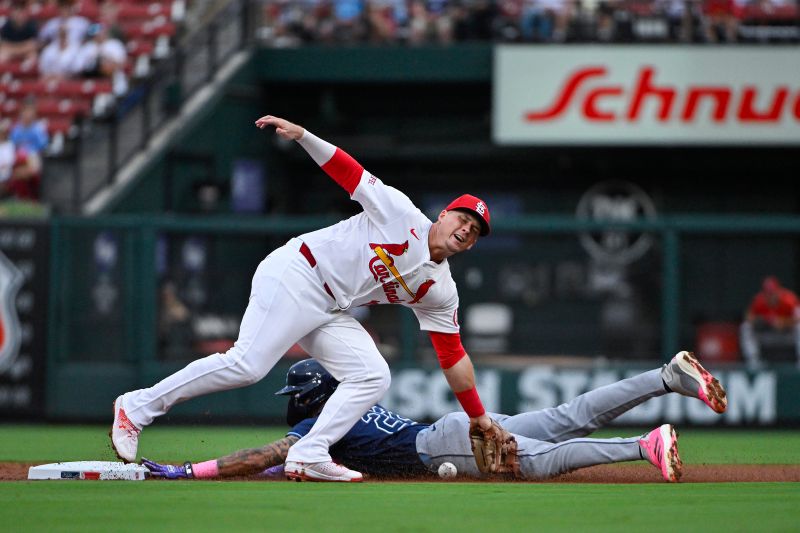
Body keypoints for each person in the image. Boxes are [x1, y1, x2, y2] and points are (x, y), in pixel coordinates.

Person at [112, 114, 496, 482]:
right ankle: (136, 407)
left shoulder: (441, 290)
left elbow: (452, 354)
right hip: (299, 272)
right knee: (247, 364)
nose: (466, 228)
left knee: (373, 375)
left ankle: (310, 452)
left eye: (475, 230)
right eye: (462, 218)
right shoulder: (401, 214)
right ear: (444, 215)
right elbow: (350, 172)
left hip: (330, 307)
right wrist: (303, 136)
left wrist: (477, 416)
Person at [142, 350, 728, 483]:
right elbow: (282, 466)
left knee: (536, 464)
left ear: (308, 397)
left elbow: (272, 455)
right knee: (569, 416)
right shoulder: (351, 406)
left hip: (440, 451)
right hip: (446, 430)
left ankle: (642, 445)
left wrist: (191, 471)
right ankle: (664, 378)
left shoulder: (318, 427)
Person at [740, 276, 800, 368]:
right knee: (745, 327)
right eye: (768, 293)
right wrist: (763, 319)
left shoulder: (789, 299)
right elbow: (748, 317)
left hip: (787, 332)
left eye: (772, 293)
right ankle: (754, 361)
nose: (770, 296)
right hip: (768, 331)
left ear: (778, 291)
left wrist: (784, 322)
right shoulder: (759, 300)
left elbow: (798, 318)